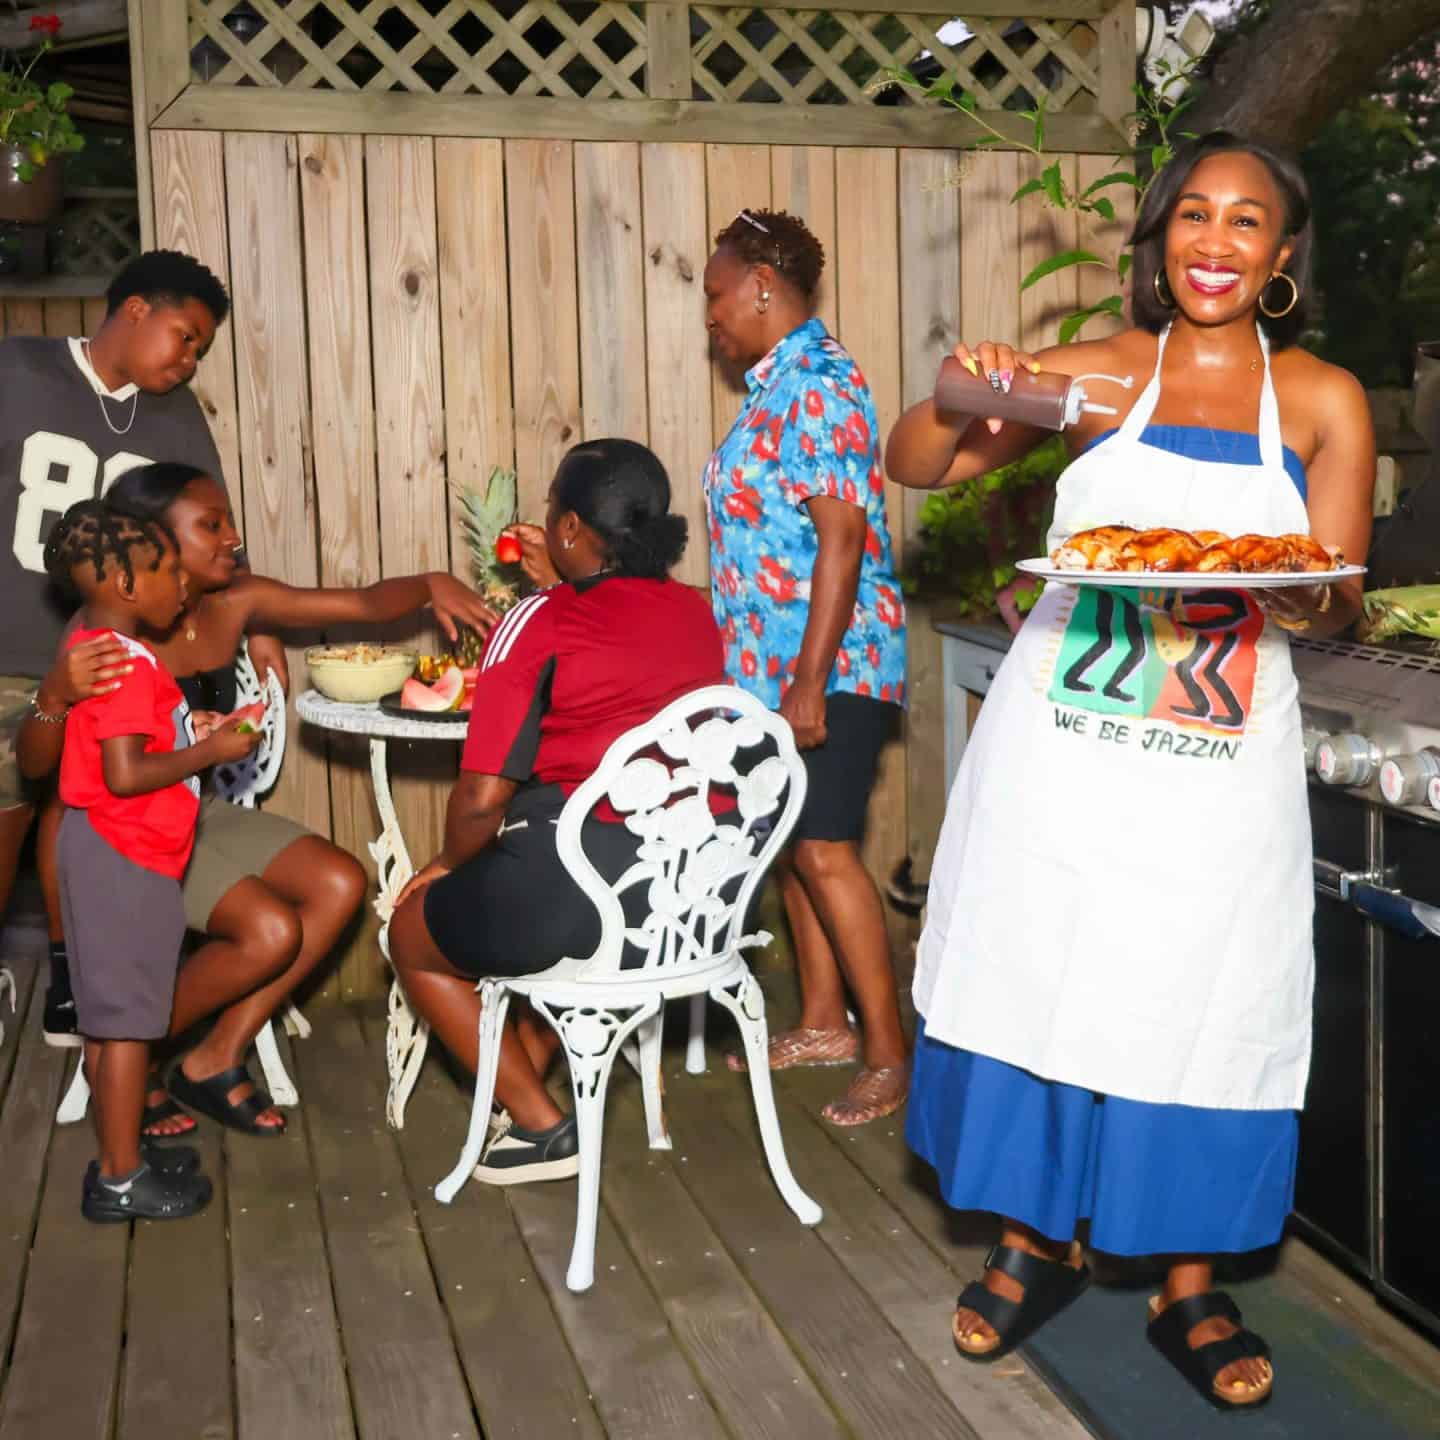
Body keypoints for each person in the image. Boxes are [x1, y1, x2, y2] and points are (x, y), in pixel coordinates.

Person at [885, 133, 1374, 1409]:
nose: (1216, 242)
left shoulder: (1322, 399)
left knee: (1200, 994)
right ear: (1160, 238)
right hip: (1065, 749)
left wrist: (1294, 588)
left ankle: (1188, 1281)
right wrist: (965, 385)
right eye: (1193, 216)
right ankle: (1034, 1240)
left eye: (1246, 222)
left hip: (1215, 765)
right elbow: (918, 461)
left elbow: (1338, 604)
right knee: (1047, 967)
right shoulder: (1100, 379)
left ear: (1281, 255)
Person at [18, 461, 496, 1137]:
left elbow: (358, 604)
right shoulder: (102, 639)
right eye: (210, 525)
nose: (232, 537)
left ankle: (214, 1058)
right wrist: (53, 697)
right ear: (147, 546)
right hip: (124, 842)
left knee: (339, 882)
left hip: (191, 813)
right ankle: (125, 1055)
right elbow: (41, 778)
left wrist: (429, 584)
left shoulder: (231, 601)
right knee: (271, 930)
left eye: (229, 521)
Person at [387, 438, 726, 1185]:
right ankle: (529, 1088)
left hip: (588, 898)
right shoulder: (698, 612)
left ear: (569, 528)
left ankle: (544, 1128)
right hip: (689, 900)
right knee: (530, 909)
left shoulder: (539, 619)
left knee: (411, 932)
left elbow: (481, 797)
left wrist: (442, 866)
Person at [0, 249, 286, 1047]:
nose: (188, 359)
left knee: (76, 813)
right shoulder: (19, 367)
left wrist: (259, 623)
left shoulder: (175, 413)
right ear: (133, 311)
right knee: (8, 818)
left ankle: (73, 977)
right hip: (11, 648)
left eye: (200, 349)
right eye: (184, 337)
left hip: (114, 651)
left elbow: (215, 535)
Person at [700, 208, 909, 1127]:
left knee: (826, 849)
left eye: (714, 294)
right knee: (791, 843)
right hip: (770, 667)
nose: (708, 313)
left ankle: (889, 1051)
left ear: (758, 287)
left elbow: (842, 539)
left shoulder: (818, 382)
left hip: (833, 660)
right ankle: (824, 1022)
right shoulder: (771, 386)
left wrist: (811, 678)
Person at [44, 499, 261, 1220]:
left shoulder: (110, 654)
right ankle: (120, 1178)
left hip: (108, 850)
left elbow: (123, 749)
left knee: (113, 1020)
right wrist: (211, 751)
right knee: (130, 1024)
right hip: (123, 858)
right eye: (169, 570)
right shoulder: (127, 667)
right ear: (128, 587)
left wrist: (183, 730)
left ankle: (119, 1149)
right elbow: (126, 775)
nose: (183, 583)